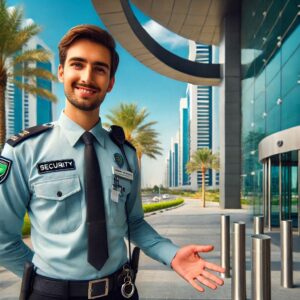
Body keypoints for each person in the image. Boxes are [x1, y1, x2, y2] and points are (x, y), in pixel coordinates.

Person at [0, 25, 224, 300]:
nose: (87, 77)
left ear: (110, 81)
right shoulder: (23, 150)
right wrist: (42, 282)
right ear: (61, 72)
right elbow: (2, 239)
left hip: (121, 291)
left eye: (99, 68)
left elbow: (134, 223)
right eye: (77, 64)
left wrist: (173, 254)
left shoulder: (126, 154)